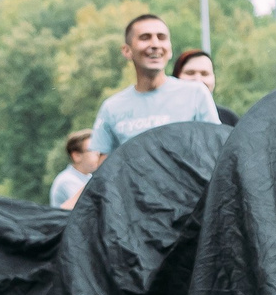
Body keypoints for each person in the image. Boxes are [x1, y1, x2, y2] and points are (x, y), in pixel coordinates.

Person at [89, 15, 220, 153]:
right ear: (127, 51)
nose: (155, 45)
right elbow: (104, 169)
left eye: (161, 37)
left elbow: (215, 153)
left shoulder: (196, 94)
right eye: (145, 37)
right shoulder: (112, 108)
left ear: (170, 49)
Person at [171, 50, 240, 127]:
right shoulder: (165, 116)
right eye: (190, 73)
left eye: (205, 74)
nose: (198, 80)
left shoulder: (229, 119)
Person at [50, 132, 105, 209]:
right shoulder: (67, 180)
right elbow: (85, 206)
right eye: (93, 149)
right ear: (76, 156)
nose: (98, 154)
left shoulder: (88, 177)